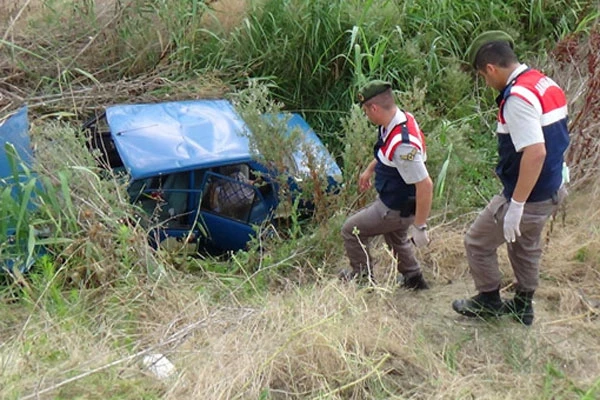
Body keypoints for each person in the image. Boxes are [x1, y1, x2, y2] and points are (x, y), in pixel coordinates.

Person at [452, 31, 570, 325]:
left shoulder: (517, 98)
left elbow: (535, 152)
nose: (486, 83)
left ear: (490, 68)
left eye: (482, 76)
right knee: (526, 245)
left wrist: (516, 204)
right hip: (551, 188)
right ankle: (523, 305)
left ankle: (489, 301)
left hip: (529, 194)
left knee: (477, 241)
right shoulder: (544, 82)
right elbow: (557, 134)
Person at [340, 80, 433, 289]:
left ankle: (363, 280)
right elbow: (386, 151)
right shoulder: (399, 120)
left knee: (351, 230)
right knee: (395, 238)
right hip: (399, 203)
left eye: (366, 111)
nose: (366, 116)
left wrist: (420, 226)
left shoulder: (403, 144)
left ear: (374, 108)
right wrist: (370, 169)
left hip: (394, 207)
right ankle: (414, 279)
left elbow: (425, 185)